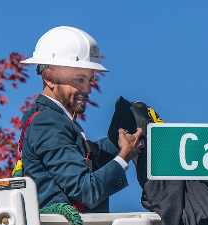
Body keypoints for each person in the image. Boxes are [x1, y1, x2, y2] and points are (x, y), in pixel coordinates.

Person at [18, 26, 143, 213]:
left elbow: (88, 156)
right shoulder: (47, 124)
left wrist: (121, 138)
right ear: (49, 77)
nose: (88, 90)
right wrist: (123, 157)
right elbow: (86, 191)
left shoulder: (54, 120)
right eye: (79, 80)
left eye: (90, 80)